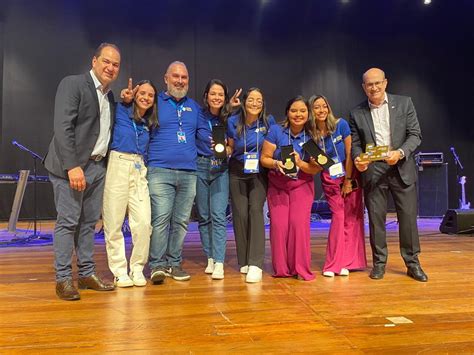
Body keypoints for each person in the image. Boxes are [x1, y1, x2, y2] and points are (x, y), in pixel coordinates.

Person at [43, 43, 121, 301]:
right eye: (106, 61)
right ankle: (63, 279)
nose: (110, 67)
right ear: (94, 61)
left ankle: (86, 274)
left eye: (115, 64)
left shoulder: (108, 95)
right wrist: (72, 166)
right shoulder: (73, 84)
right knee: (68, 222)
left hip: (97, 166)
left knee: (88, 224)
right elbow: (62, 127)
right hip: (72, 166)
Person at [349, 67, 427, 282]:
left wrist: (400, 153)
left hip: (401, 167)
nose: (374, 87)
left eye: (377, 83)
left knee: (408, 220)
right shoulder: (356, 113)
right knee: (376, 220)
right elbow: (356, 144)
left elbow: (415, 135)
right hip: (374, 170)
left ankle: (413, 264)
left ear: (385, 83)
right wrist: (359, 160)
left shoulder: (404, 103)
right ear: (364, 87)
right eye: (369, 84)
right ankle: (379, 264)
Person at [146, 61, 200, 284]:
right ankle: (157, 265)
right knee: (160, 220)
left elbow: (206, 135)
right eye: (175, 76)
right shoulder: (154, 103)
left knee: (181, 222)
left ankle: (174, 263)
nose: (180, 81)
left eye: (184, 77)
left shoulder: (194, 107)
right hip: (160, 170)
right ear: (165, 78)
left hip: (188, 172)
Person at [102, 80, 158, 287]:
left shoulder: (148, 123)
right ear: (134, 94)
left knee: (143, 222)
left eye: (150, 95)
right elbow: (115, 102)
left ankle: (137, 268)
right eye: (142, 93)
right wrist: (123, 97)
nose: (145, 97)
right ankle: (119, 271)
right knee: (114, 221)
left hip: (139, 167)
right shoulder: (120, 111)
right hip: (117, 163)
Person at [260, 96, 321, 281]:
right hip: (278, 186)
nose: (298, 114)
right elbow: (264, 158)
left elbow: (316, 168)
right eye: (294, 110)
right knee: (278, 227)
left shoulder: (312, 136)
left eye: (302, 111)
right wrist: (277, 163)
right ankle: (281, 269)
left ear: (308, 114)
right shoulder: (276, 131)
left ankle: (300, 268)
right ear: (287, 112)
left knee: (298, 226)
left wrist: (300, 163)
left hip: (301, 186)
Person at [309, 95, 367, 278]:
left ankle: (348, 262)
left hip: (348, 173)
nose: (321, 110)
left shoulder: (341, 124)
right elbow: (315, 162)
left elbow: (350, 152)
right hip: (329, 176)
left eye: (324, 106)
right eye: (316, 107)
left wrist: (348, 180)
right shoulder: (310, 133)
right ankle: (333, 263)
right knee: (338, 216)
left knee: (351, 217)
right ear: (311, 111)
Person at [227, 87, 276, 283]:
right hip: (237, 170)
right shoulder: (232, 121)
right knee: (240, 214)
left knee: (256, 211)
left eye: (259, 100)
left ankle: (255, 263)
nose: (255, 103)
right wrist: (224, 149)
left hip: (259, 171)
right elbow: (230, 145)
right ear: (244, 102)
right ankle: (244, 260)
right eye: (251, 99)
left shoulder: (268, 122)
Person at [195, 79, 236, 280]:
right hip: (200, 166)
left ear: (225, 98)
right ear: (206, 96)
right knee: (204, 216)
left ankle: (219, 261)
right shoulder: (198, 116)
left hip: (220, 168)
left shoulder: (229, 118)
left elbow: (232, 146)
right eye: (213, 94)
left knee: (218, 215)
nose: (216, 97)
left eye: (220, 94)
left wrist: (225, 150)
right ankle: (210, 256)